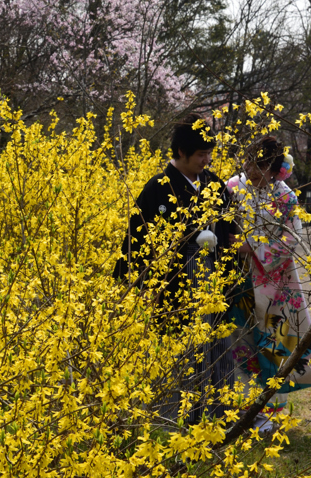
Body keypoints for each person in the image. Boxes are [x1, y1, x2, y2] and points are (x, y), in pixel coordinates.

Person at [120, 113, 238, 423]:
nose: (206, 160)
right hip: (177, 283)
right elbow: (137, 242)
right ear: (181, 152)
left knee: (220, 347)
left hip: (214, 280)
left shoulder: (214, 184)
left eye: (209, 154)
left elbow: (230, 229)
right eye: (201, 154)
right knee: (185, 353)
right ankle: (179, 422)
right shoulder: (158, 187)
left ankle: (219, 418)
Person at [226, 136, 311, 432]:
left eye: (261, 165)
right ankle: (245, 407)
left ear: (275, 168)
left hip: (274, 282)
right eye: (249, 162)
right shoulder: (233, 187)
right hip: (239, 279)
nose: (252, 170)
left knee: (274, 345)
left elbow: (292, 238)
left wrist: (253, 246)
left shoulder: (286, 197)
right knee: (241, 343)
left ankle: (272, 411)